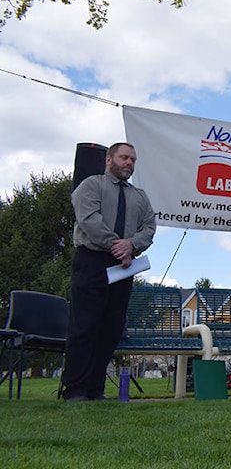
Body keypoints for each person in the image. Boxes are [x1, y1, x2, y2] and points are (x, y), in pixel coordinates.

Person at [62, 142, 156, 401]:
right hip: (92, 261)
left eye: (133, 160)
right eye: (124, 157)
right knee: (85, 326)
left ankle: (95, 388)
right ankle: (75, 389)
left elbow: (149, 227)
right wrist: (117, 245)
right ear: (109, 160)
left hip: (124, 267)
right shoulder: (91, 186)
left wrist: (131, 245)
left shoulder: (139, 196)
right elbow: (89, 219)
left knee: (111, 328)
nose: (129, 163)